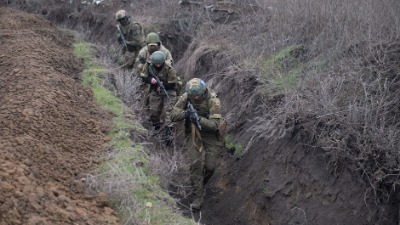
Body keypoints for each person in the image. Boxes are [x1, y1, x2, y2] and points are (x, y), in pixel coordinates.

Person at [171, 78, 226, 210]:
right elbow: (173, 115)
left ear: (203, 92)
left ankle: (199, 183)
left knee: (210, 167)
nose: (195, 98)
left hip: (211, 135)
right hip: (194, 132)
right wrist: (186, 114)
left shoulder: (213, 101)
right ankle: (198, 195)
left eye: (197, 96)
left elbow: (214, 125)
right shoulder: (187, 96)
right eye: (192, 96)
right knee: (195, 162)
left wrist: (199, 119)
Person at [140, 51, 177, 144]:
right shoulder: (148, 65)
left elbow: (172, 84)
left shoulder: (170, 68)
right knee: (154, 112)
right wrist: (150, 80)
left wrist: (162, 85)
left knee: (168, 113)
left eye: (159, 63)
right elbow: (143, 77)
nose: (157, 65)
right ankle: (157, 128)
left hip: (168, 91)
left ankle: (168, 137)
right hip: (155, 91)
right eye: (156, 64)